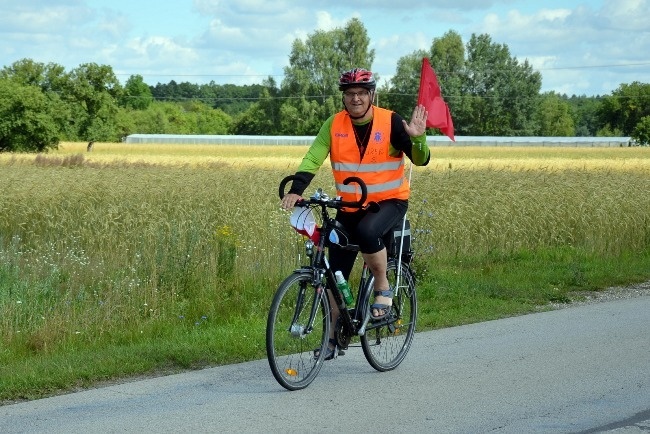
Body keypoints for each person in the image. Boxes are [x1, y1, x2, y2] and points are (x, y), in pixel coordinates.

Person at [280, 67, 431, 359]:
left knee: (367, 233)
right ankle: (334, 338)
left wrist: (418, 138)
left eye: (362, 93)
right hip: (349, 206)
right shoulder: (333, 124)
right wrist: (297, 188)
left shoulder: (391, 121)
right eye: (350, 94)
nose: (356, 99)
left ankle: (383, 288)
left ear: (371, 94)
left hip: (389, 202)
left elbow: (420, 160)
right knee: (334, 271)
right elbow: (313, 156)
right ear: (344, 98)